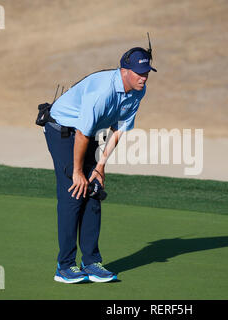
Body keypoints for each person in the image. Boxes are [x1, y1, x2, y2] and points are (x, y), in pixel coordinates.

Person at [43, 45, 157, 283]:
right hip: (62, 130)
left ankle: (92, 262)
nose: (143, 77)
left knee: (93, 190)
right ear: (124, 70)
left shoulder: (138, 91)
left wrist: (100, 166)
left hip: (89, 133)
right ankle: (64, 267)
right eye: (139, 73)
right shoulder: (103, 91)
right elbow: (82, 134)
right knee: (74, 192)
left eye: (146, 72)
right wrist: (77, 171)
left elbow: (119, 128)